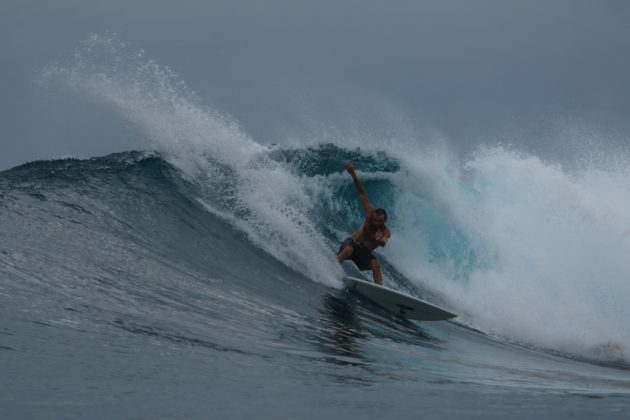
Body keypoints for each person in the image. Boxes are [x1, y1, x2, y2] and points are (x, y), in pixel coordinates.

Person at [337, 161, 391, 285]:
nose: (376, 222)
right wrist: (352, 174)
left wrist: (380, 240)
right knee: (348, 250)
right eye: (375, 220)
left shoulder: (385, 231)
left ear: (384, 221)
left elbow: (384, 241)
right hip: (352, 243)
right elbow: (361, 192)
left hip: (364, 253)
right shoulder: (369, 214)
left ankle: (379, 291)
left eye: (380, 221)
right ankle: (333, 268)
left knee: (376, 265)